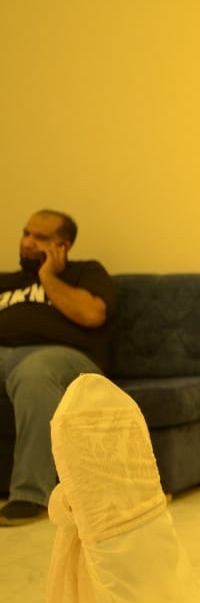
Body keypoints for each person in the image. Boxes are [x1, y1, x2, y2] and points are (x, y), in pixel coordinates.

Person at [0, 210, 113, 526]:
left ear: (64, 246)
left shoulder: (86, 273)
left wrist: (48, 276)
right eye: (26, 233)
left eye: (40, 238)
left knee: (35, 373)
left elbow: (92, 315)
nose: (27, 243)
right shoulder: (6, 282)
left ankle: (29, 495)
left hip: (62, 357)